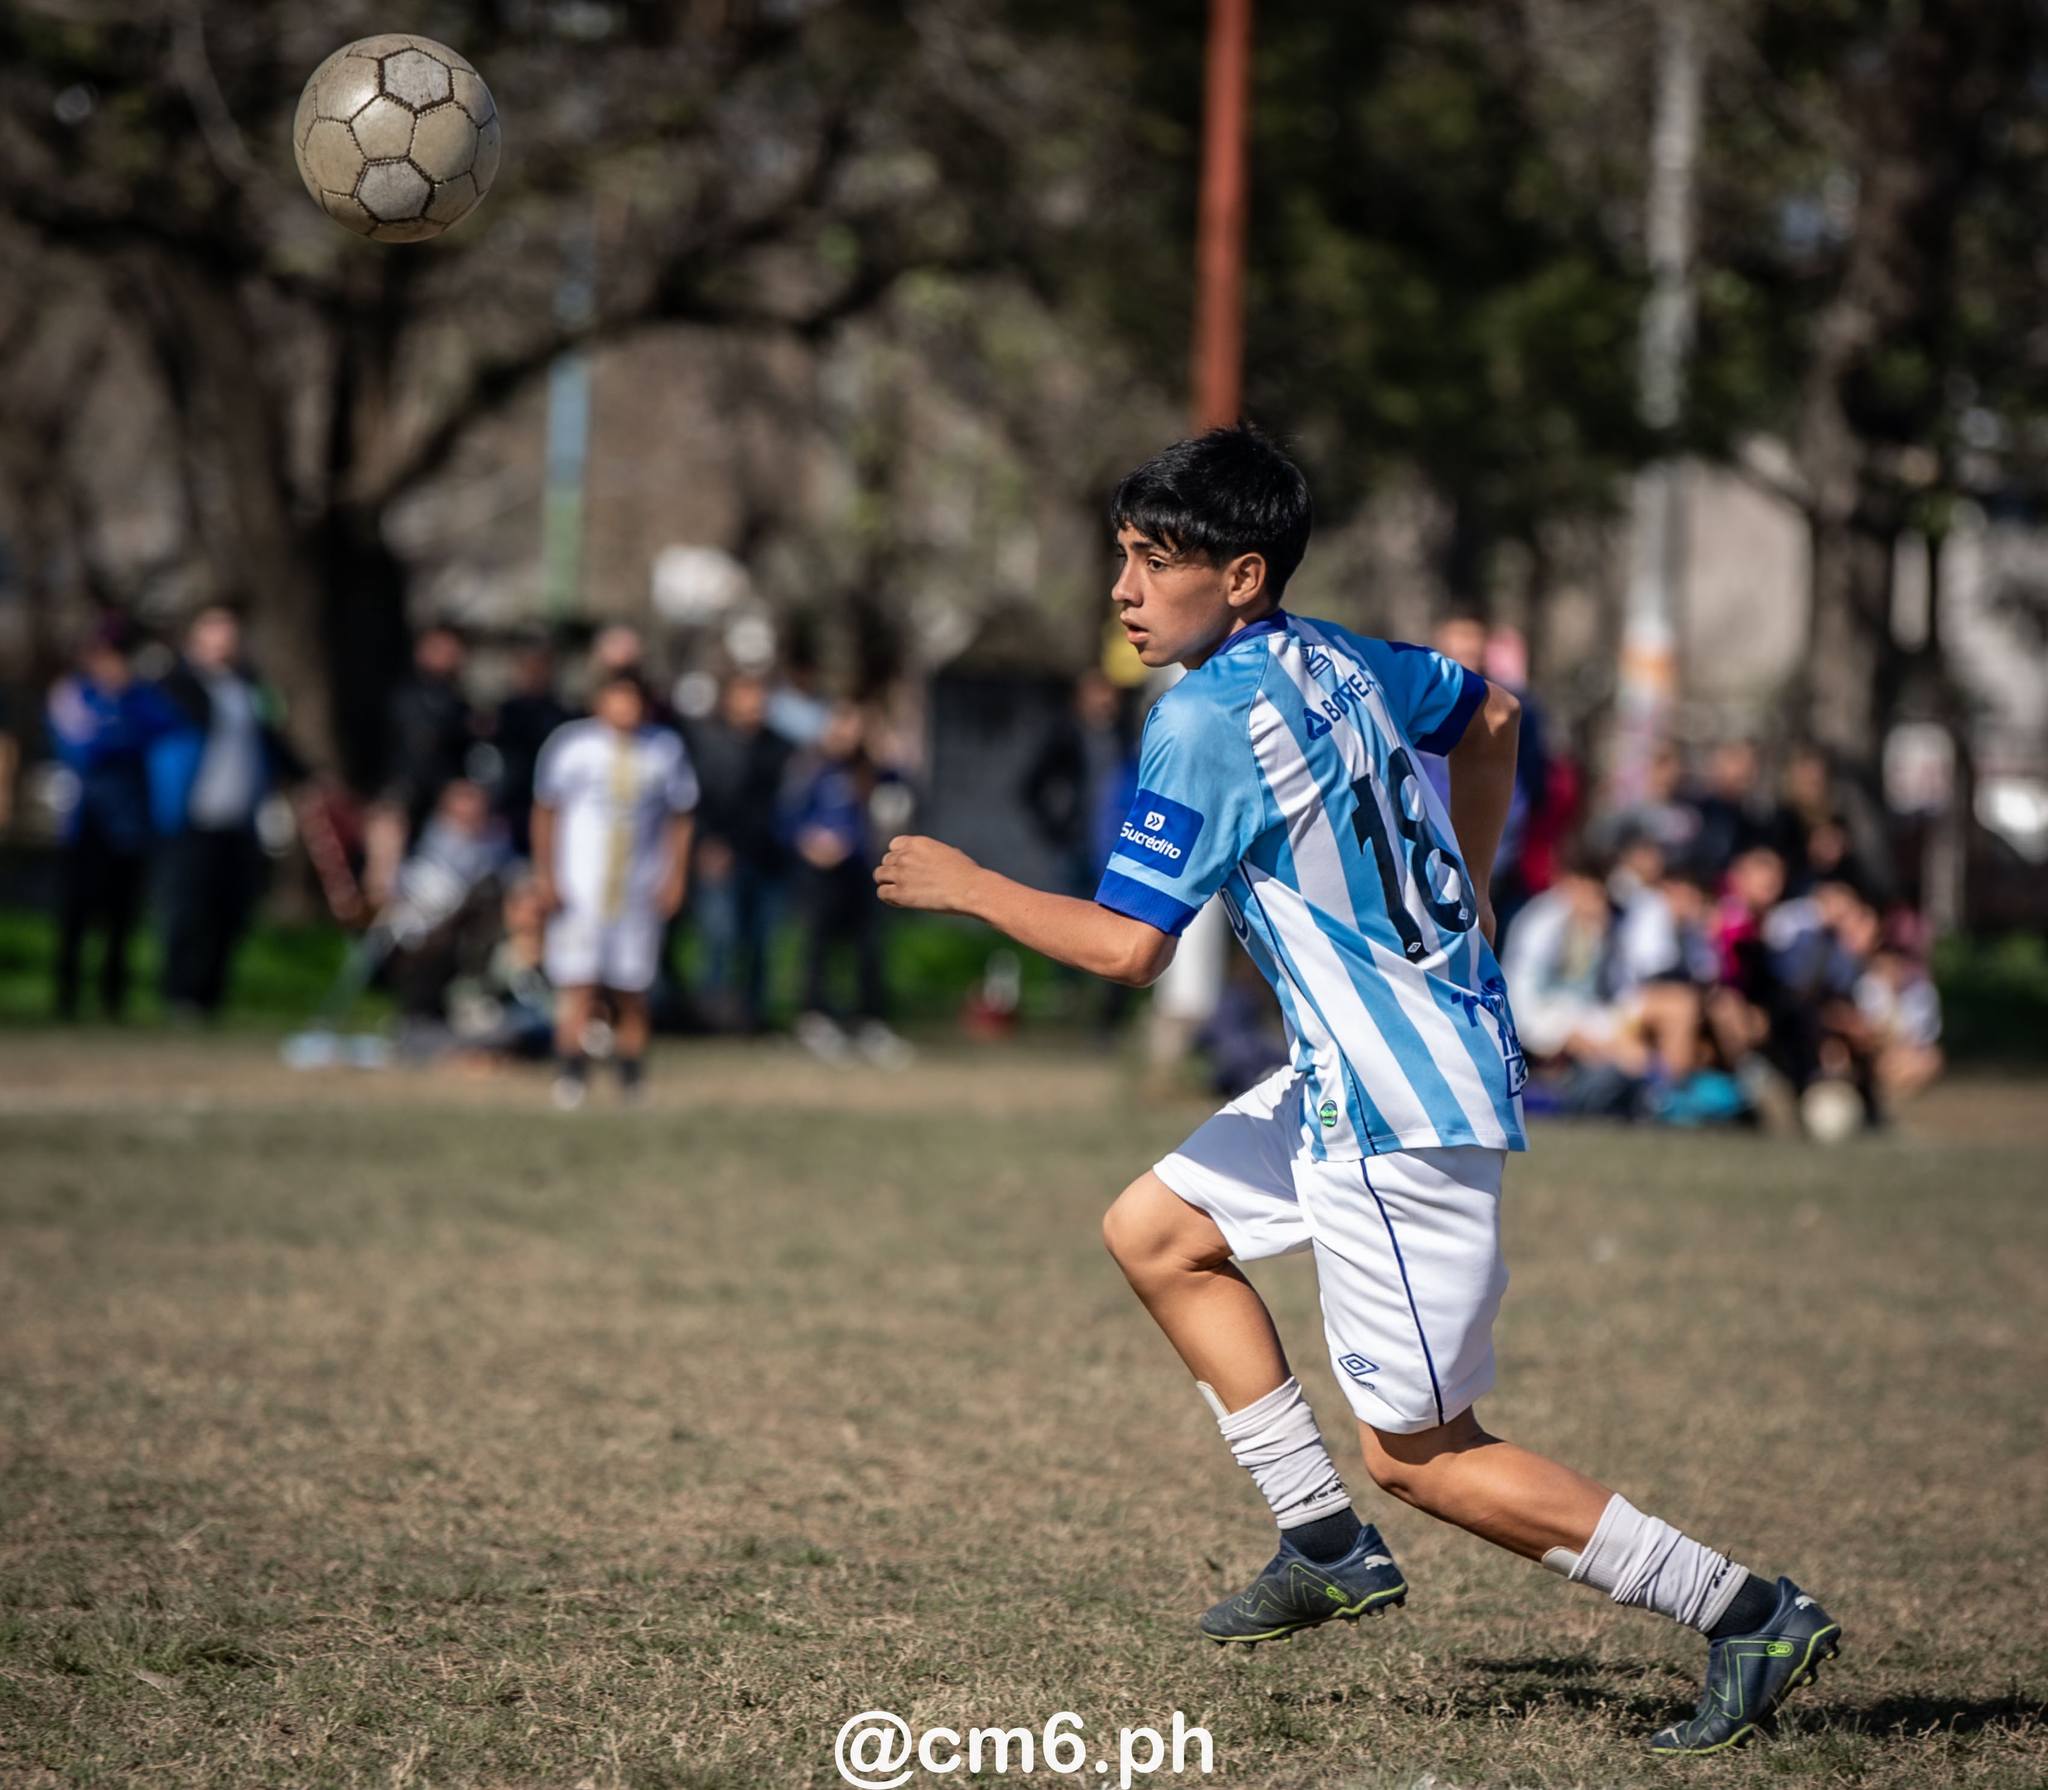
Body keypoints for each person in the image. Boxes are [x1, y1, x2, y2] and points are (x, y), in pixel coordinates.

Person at [875, 425, 1838, 1756]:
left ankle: (1746, 1610)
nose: (1124, 589)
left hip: (1392, 1112)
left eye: (1154, 561)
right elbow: (1495, 718)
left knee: (1423, 1453)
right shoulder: (1335, 656)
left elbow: (1128, 947)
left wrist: (970, 883)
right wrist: (1473, 887)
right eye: (1123, 555)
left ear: (1242, 575)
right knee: (1155, 1230)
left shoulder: (1200, 718)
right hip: (1378, 1068)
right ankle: (1323, 1542)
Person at [531, 670, 697, 1108]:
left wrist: (675, 877)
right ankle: (571, 1073)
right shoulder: (572, 746)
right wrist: (546, 874)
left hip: (638, 887)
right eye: (616, 698)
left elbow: (681, 816)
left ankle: (631, 1075)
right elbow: (546, 810)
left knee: (632, 986)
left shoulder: (664, 750)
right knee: (578, 981)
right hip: (581, 887)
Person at [152, 606, 304, 1020]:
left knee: (230, 911)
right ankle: (179, 995)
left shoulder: (249, 688)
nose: (225, 641)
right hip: (194, 814)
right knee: (188, 909)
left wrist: (306, 776)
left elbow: (273, 740)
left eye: (230, 633)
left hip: (241, 816)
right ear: (195, 637)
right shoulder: (177, 685)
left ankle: (211, 998)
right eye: (215, 631)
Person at [45, 624, 176, 1020]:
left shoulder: (140, 697)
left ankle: (112, 998)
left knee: (122, 916)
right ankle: (66, 997)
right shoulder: (75, 695)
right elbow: (81, 750)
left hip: (130, 825)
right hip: (85, 823)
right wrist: (119, 734)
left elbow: (165, 725)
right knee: (76, 913)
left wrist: (117, 722)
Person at [781, 702, 912, 1067]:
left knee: (870, 948)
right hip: (823, 875)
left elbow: (903, 796)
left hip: (863, 873)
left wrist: (892, 754)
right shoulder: (812, 768)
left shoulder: (875, 773)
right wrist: (810, 843)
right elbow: (787, 818)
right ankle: (814, 1017)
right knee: (818, 947)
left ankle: (870, 1020)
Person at [687, 671, 792, 1034]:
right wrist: (707, 843)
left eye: (760, 697)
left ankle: (753, 1016)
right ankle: (711, 1014)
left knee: (761, 941)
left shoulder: (780, 748)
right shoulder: (708, 742)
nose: (754, 705)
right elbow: (697, 801)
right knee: (720, 938)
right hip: (721, 856)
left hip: (767, 858)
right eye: (747, 696)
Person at [491, 637, 573, 858]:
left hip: (551, 810)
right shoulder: (501, 714)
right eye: (527, 668)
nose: (533, 674)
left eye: (539, 667)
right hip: (507, 810)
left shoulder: (563, 717)